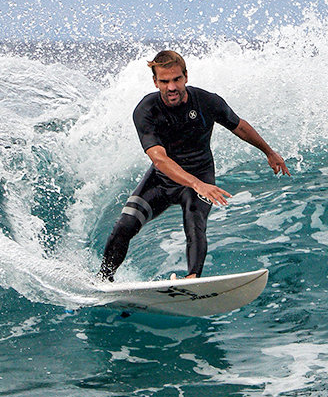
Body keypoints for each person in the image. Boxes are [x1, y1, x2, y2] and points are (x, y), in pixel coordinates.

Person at [98, 49, 289, 281]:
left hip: (201, 174)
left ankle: (192, 279)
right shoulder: (146, 111)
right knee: (124, 225)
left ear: (186, 76)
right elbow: (159, 159)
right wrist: (197, 184)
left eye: (177, 79)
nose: (172, 87)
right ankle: (103, 280)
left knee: (194, 221)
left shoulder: (207, 102)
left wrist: (269, 152)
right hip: (162, 180)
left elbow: (239, 126)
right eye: (165, 81)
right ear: (155, 81)